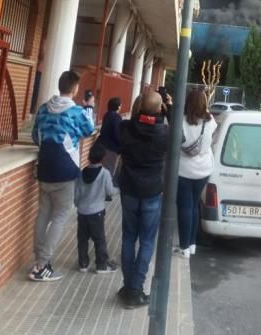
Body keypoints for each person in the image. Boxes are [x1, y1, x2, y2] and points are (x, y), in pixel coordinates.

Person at [30, 70, 95, 281]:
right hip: (65, 171)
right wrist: (89, 107)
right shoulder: (76, 111)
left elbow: (34, 136)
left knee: (43, 214)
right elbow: (89, 130)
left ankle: (37, 261)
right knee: (59, 217)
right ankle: (42, 265)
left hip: (44, 168)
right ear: (75, 89)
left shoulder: (43, 109)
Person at [117, 92, 168, 309]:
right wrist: (170, 110)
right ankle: (135, 290)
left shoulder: (126, 128)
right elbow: (181, 138)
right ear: (159, 110)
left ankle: (128, 286)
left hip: (129, 189)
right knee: (147, 241)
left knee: (129, 238)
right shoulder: (164, 133)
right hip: (151, 193)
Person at [175, 89, 217, 258]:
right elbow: (208, 119)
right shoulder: (210, 121)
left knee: (185, 207)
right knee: (194, 206)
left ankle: (184, 247)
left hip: (184, 170)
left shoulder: (181, 121)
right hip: (204, 169)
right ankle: (192, 245)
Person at [74, 140, 118, 273]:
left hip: (82, 212)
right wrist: (120, 190)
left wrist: (78, 205)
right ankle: (102, 265)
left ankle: (83, 264)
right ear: (103, 158)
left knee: (82, 239)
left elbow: (76, 193)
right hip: (97, 212)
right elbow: (110, 191)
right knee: (99, 239)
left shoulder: (82, 172)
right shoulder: (104, 173)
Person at [97, 96, 123, 179]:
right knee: (109, 170)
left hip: (102, 145)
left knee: (102, 168)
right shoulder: (117, 117)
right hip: (112, 149)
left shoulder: (106, 115)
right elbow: (117, 134)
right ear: (118, 106)